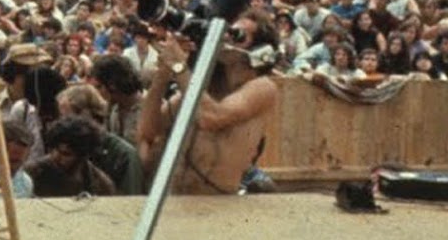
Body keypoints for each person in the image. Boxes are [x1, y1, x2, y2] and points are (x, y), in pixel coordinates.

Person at [138, 12, 279, 195]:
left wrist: (179, 67)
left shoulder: (262, 88)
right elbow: (148, 131)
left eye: (238, 35)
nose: (227, 38)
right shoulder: (204, 89)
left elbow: (211, 118)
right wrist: (164, 72)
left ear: (262, 49)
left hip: (218, 204)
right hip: (176, 201)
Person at [23, 116, 117, 198]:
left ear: (82, 156)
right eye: (53, 149)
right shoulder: (32, 174)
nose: (56, 156)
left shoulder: (100, 185)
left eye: (66, 154)